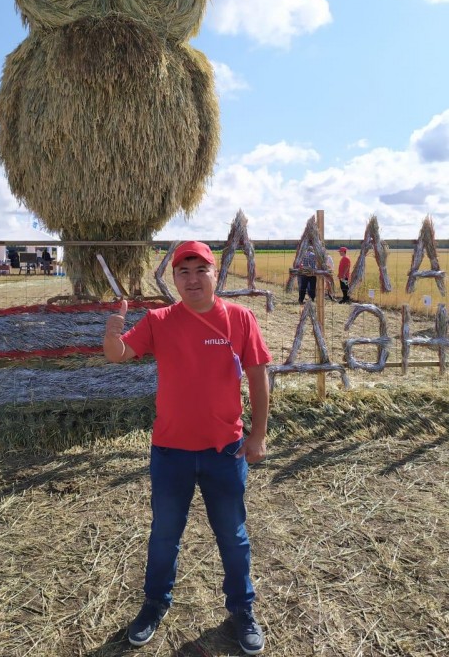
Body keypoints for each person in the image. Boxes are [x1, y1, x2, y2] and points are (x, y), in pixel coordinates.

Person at [103, 241, 271, 655]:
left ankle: (242, 609)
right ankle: (154, 604)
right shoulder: (160, 320)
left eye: (201, 270)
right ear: (174, 278)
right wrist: (112, 331)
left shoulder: (240, 319)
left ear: (216, 274)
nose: (193, 279)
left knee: (232, 536)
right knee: (164, 535)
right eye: (184, 272)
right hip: (171, 451)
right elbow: (118, 355)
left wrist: (258, 435)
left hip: (225, 452)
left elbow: (258, 377)